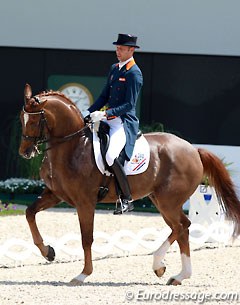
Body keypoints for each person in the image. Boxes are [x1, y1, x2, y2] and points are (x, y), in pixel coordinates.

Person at [85, 33, 143, 215]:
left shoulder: (134, 73)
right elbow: (104, 96)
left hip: (122, 122)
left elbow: (129, 105)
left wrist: (105, 113)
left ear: (131, 50)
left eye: (121, 48)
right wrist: (87, 112)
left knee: (111, 157)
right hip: (107, 120)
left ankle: (127, 198)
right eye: (117, 48)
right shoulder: (114, 69)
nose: (117, 51)